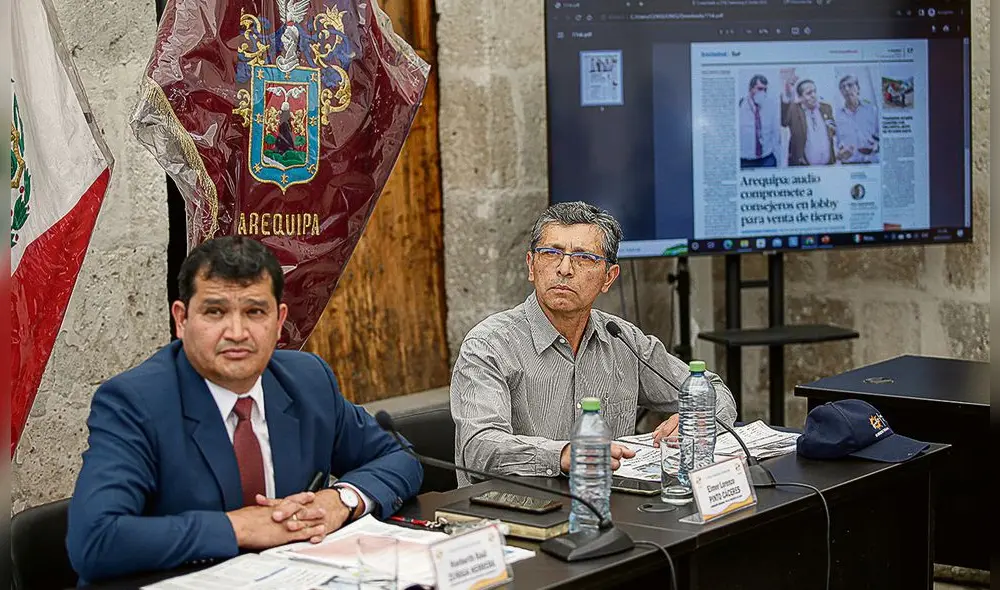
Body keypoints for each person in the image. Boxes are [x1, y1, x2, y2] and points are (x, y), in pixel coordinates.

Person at [66, 236, 422, 583]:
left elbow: (399, 457)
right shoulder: (135, 402)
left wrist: (341, 500)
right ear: (181, 319)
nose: (236, 332)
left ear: (279, 320)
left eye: (254, 312)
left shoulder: (307, 380)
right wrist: (240, 526)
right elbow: (96, 539)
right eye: (215, 311)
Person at [450, 202, 738, 486]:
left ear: (608, 278)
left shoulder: (621, 339)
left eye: (584, 258)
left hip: (608, 506)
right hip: (513, 514)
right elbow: (478, 447)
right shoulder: (488, 345)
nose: (564, 269)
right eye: (551, 254)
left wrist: (699, 417)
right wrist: (563, 455)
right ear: (531, 266)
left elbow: (712, 389)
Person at [781, 75, 836, 166]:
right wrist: (788, 94)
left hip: (828, 166)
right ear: (800, 97)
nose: (813, 95)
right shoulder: (794, 110)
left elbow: (832, 129)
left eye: (814, 91)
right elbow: (784, 121)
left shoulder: (826, 108)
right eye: (809, 93)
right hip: (804, 168)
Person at [834, 74, 879, 164]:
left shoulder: (872, 111)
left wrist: (876, 146)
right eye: (843, 87)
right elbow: (834, 142)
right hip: (847, 166)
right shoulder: (836, 115)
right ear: (841, 92)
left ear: (858, 88)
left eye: (850, 85)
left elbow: (881, 137)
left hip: (871, 164)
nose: (846, 89)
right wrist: (839, 154)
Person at [739, 74, 780, 168]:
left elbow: (775, 132)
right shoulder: (740, 106)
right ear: (751, 89)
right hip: (746, 160)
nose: (763, 93)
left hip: (766, 158)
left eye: (765, 90)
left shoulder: (770, 106)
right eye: (760, 89)